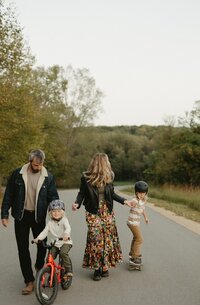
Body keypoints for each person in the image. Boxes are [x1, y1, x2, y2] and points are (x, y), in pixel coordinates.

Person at [1, 149, 59, 295]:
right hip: (21, 216)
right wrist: (4, 214)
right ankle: (29, 281)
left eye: (40, 165)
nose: (38, 168)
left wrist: (56, 214)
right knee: (23, 248)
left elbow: (53, 197)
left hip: (38, 217)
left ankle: (39, 266)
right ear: (30, 161)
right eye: (35, 165)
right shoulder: (17, 174)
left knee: (42, 245)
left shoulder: (48, 177)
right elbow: (9, 194)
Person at [72, 152, 135, 281]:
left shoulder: (109, 176)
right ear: (102, 163)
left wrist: (125, 201)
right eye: (107, 161)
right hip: (92, 211)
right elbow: (82, 193)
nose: (109, 163)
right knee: (96, 239)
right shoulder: (86, 177)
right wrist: (77, 203)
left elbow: (111, 194)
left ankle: (104, 265)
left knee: (107, 239)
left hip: (107, 211)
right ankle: (97, 267)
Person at [33, 199, 73, 283]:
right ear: (50, 213)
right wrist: (38, 239)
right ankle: (52, 275)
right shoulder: (50, 223)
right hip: (54, 243)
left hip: (65, 242)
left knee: (63, 253)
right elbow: (44, 232)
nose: (56, 213)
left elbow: (68, 227)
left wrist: (66, 233)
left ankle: (69, 270)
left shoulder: (64, 220)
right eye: (54, 211)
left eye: (59, 211)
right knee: (49, 259)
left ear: (62, 212)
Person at [127, 181, 149, 265]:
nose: (141, 195)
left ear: (146, 193)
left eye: (143, 193)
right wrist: (129, 204)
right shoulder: (135, 200)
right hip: (132, 222)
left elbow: (142, 210)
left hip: (136, 222)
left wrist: (145, 217)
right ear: (136, 193)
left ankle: (132, 253)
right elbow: (130, 203)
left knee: (136, 238)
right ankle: (134, 257)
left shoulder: (142, 201)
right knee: (139, 239)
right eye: (139, 193)